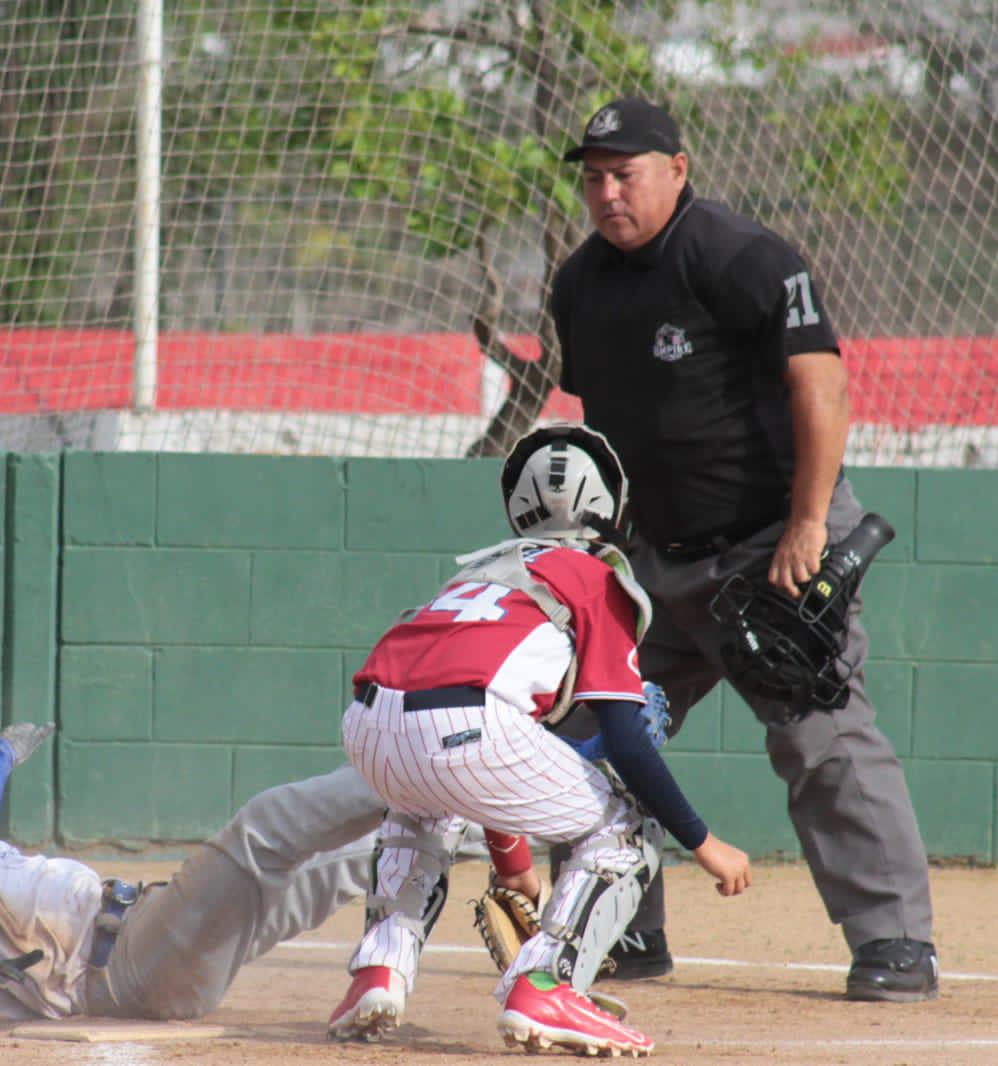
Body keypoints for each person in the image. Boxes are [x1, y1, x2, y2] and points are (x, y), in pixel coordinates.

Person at [547, 94, 938, 1002]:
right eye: (594, 177)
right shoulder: (579, 283)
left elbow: (823, 385)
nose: (607, 192)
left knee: (822, 736)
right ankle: (621, 925)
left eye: (625, 173)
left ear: (677, 170)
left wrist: (807, 525)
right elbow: (608, 424)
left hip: (774, 543)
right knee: (580, 732)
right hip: (658, 560)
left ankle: (896, 943)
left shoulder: (736, 256)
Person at [326, 424, 752, 1057]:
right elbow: (627, 743)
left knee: (421, 804)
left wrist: (514, 868)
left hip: (370, 723)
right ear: (610, 506)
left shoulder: (479, 572)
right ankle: (545, 984)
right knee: (628, 830)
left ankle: (378, 972)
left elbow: (473, 744)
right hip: (468, 729)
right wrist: (704, 842)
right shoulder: (595, 577)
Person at [0, 701, 386, 1025]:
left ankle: (451, 815)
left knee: (354, 856)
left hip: (149, 934)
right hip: (127, 970)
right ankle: (409, 769)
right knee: (266, 826)